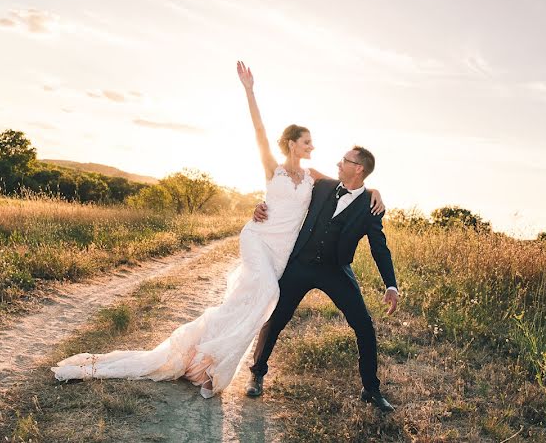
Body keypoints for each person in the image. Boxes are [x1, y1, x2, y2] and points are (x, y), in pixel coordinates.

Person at [50, 61, 385, 398]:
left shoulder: (315, 178)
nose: (313, 147)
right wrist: (249, 90)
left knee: (248, 306)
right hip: (258, 239)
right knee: (268, 291)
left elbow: (351, 190)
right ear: (293, 144)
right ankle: (231, 364)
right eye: (307, 142)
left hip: (283, 251)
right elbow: (258, 132)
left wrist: (374, 191)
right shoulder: (274, 168)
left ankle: (206, 359)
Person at [244, 146, 400, 412]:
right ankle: (257, 373)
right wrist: (261, 207)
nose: (339, 163)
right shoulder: (324, 185)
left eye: (345, 161)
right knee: (277, 317)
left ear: (359, 168)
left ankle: (371, 389)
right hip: (301, 263)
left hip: (336, 270)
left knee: (364, 325)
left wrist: (391, 284)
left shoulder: (370, 206)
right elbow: (289, 181)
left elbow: (379, 247)